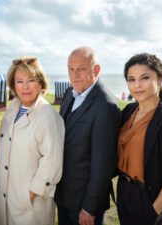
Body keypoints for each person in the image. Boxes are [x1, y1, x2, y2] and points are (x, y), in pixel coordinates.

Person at [116, 53, 162, 225]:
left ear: (160, 79)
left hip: (150, 197)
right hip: (124, 190)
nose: (137, 85)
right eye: (131, 79)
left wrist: (153, 211)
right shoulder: (129, 110)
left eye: (145, 78)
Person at [0, 57, 65, 225]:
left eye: (31, 80)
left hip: (28, 205)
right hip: (4, 198)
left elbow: (52, 163)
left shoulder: (48, 116)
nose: (25, 86)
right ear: (13, 85)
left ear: (40, 83)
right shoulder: (13, 108)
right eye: (19, 81)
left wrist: (30, 194)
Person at [54, 46, 121, 225]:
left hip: (84, 202)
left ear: (96, 70)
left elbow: (103, 164)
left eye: (81, 69)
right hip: (63, 194)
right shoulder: (70, 93)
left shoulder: (106, 105)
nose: (74, 74)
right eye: (70, 69)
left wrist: (90, 207)